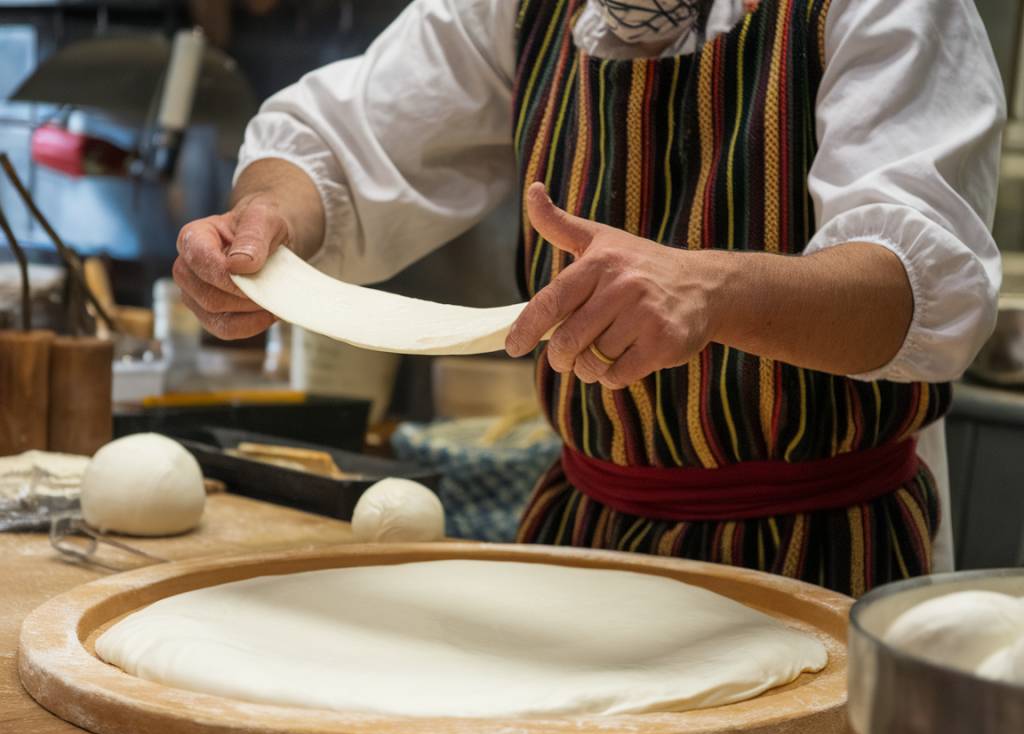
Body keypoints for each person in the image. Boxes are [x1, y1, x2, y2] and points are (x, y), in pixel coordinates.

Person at [174, 0, 1004, 596]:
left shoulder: (889, 9)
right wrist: (270, 219)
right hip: (591, 540)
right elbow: (341, 141)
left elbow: (912, 290)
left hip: (825, 551)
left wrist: (714, 290)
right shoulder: (528, 10)